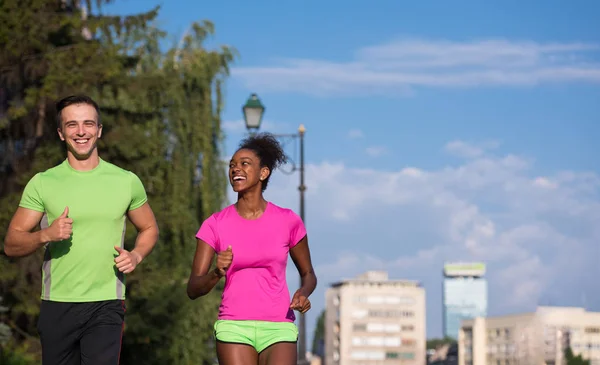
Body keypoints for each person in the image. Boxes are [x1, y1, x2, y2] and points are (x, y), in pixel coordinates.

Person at [4, 94, 159, 365]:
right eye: (72, 125)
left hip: (106, 302)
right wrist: (45, 235)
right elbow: (11, 243)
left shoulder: (126, 181)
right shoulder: (43, 183)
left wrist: (136, 256)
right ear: (61, 133)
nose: (81, 131)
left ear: (99, 130)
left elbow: (149, 228)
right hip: (57, 304)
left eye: (88, 123)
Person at [187, 132, 317, 365]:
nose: (236, 169)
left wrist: (303, 293)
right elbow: (193, 288)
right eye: (232, 165)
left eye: (244, 164)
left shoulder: (288, 220)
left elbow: (308, 274)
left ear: (263, 173)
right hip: (234, 327)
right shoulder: (214, 224)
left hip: (279, 326)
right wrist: (217, 273)